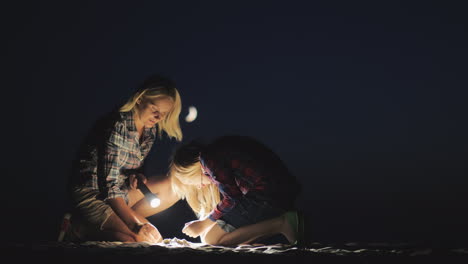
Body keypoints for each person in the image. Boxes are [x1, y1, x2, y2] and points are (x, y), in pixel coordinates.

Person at [65, 74, 183, 243]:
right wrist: (135, 226)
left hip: (121, 189)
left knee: (174, 187)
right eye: (154, 110)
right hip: (94, 193)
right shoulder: (116, 125)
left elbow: (131, 170)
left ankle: (102, 225)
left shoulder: (149, 131)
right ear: (140, 99)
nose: (158, 118)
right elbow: (108, 183)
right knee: (141, 240)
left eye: (164, 114)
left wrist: (137, 176)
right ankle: (79, 228)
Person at [169, 135, 305, 247]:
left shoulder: (208, 158)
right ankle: (277, 225)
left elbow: (232, 198)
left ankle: (281, 224)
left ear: (192, 170)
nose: (199, 187)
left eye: (191, 182)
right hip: (277, 191)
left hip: (267, 195)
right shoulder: (219, 151)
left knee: (211, 240)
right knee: (209, 235)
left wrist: (204, 223)